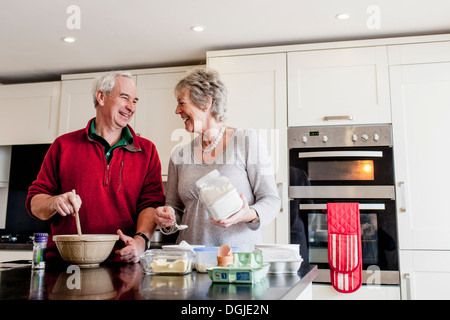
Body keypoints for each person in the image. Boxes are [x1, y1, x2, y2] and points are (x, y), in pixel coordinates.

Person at [26, 71, 164, 263]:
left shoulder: (146, 150)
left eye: (135, 101)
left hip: (122, 262)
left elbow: (150, 204)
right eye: (124, 98)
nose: (131, 107)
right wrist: (53, 202)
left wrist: (140, 242)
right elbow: (34, 203)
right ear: (101, 97)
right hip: (66, 263)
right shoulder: (63, 145)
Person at [153, 67, 280, 251]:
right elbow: (174, 209)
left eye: (182, 103)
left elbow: (271, 200)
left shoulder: (246, 141)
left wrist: (248, 214)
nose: (176, 111)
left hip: (237, 262)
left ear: (206, 102)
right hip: (190, 261)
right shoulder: (179, 154)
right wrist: (167, 217)